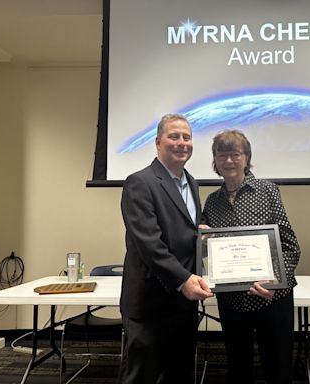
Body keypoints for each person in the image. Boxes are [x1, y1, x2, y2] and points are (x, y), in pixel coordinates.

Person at [119, 113, 214, 384]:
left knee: (178, 373)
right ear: (158, 142)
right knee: (141, 376)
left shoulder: (191, 183)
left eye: (187, 137)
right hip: (150, 303)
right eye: (174, 136)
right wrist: (183, 279)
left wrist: (201, 234)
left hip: (184, 302)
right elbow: (149, 243)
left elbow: (181, 230)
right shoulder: (140, 182)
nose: (182, 142)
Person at [202, 129, 301, 384]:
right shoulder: (211, 202)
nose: (228, 161)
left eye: (235, 154)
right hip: (232, 300)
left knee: (277, 368)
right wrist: (200, 238)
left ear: (246, 157)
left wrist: (276, 282)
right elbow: (205, 250)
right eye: (222, 155)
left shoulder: (267, 191)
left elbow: (290, 245)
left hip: (271, 297)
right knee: (237, 367)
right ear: (215, 161)